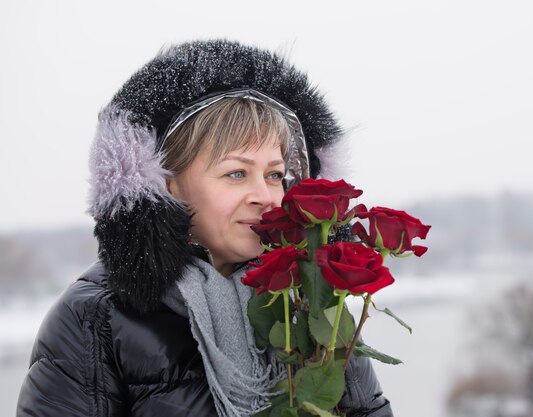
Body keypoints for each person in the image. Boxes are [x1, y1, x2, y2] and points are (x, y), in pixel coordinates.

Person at [17, 39, 393, 417]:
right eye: (236, 173)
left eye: (275, 174)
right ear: (165, 184)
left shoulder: (314, 302)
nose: (265, 196)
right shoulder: (95, 318)